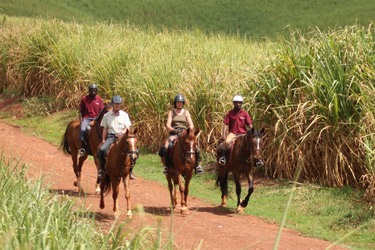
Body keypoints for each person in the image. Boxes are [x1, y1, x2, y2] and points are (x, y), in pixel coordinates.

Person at [161, 94, 204, 175]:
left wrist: (188, 130)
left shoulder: (186, 112)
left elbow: (191, 124)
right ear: (175, 103)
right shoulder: (171, 112)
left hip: (184, 133)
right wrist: (173, 129)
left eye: (181, 102)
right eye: (178, 102)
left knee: (196, 147)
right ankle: (166, 166)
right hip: (174, 133)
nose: (179, 104)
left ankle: (198, 165)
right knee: (167, 146)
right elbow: (168, 124)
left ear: (183, 103)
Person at [97, 95, 135, 179]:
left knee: (134, 152)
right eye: (115, 103)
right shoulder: (106, 116)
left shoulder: (124, 115)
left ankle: (130, 171)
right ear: (112, 104)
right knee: (102, 149)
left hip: (123, 137)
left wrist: (123, 133)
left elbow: (128, 127)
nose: (117, 105)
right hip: (111, 136)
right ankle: (102, 170)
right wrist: (103, 140)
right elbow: (105, 129)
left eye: (119, 104)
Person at [218, 95, 253, 165]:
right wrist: (223, 135)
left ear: (241, 103)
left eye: (239, 103)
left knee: (252, 144)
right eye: (236, 103)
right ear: (233, 103)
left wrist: (253, 132)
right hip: (233, 133)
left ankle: (255, 160)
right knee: (227, 142)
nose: (238, 104)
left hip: (243, 134)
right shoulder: (230, 113)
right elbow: (225, 124)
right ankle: (223, 157)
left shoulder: (245, 114)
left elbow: (249, 124)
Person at [79, 83, 104, 156]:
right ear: (89, 91)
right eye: (92, 91)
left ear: (97, 91)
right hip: (87, 118)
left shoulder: (99, 99)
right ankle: (82, 148)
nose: (93, 92)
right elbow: (80, 111)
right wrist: (81, 122)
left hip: (96, 119)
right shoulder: (84, 99)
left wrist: (98, 120)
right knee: (83, 130)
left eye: (95, 91)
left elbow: (101, 111)